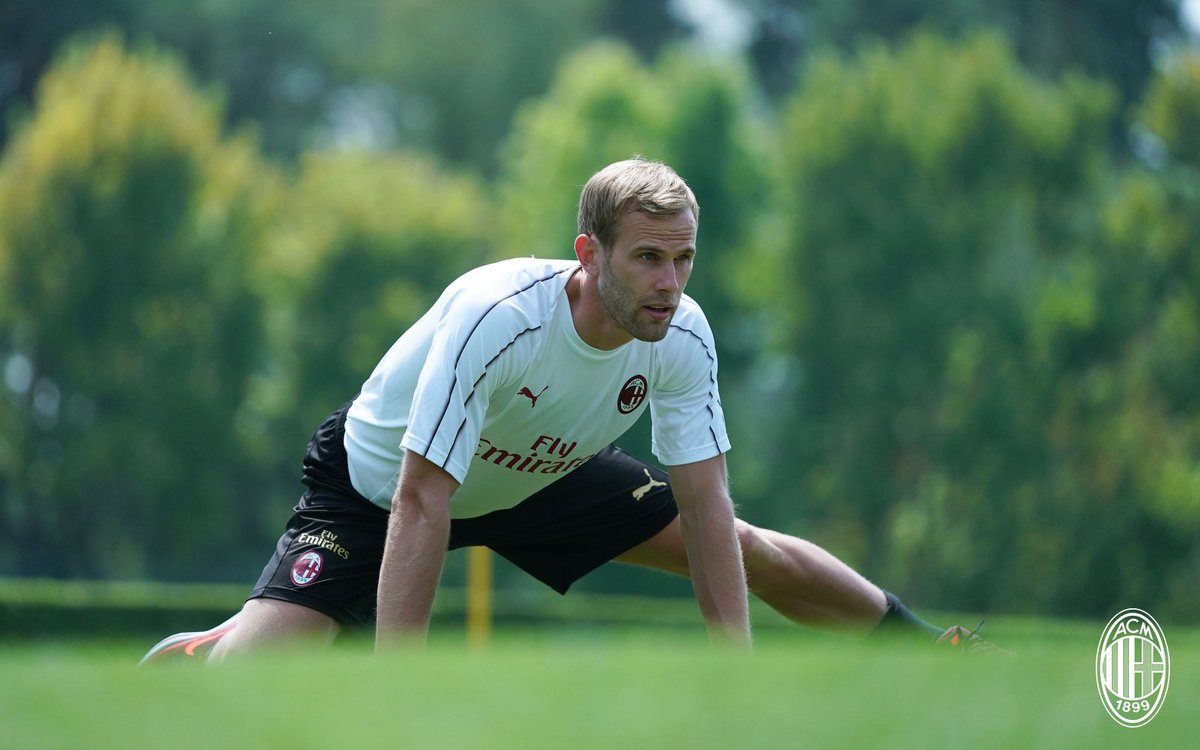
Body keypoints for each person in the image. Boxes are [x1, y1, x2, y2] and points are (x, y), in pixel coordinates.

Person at [142, 158, 993, 662]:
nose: (669, 283)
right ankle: (220, 645)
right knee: (258, 678)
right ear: (589, 253)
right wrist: (398, 694)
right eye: (648, 258)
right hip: (379, 491)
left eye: (684, 260)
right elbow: (422, 499)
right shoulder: (498, 315)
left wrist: (733, 678)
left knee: (745, 546)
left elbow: (704, 506)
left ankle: (930, 646)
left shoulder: (683, 333)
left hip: (540, 474)